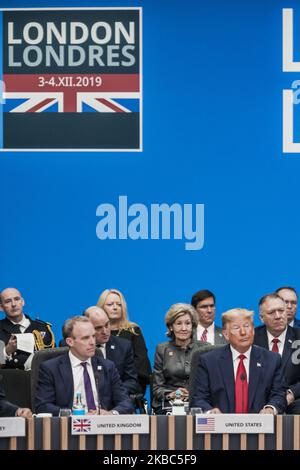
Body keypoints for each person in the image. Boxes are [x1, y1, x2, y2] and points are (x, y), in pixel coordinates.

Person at [190, 308, 287, 414]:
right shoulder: (209, 361)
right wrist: (210, 411)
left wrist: (270, 408)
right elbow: (199, 398)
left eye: (247, 326)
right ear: (226, 334)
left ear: (253, 330)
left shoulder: (272, 360)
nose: (243, 332)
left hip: (260, 427)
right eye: (236, 328)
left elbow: (279, 395)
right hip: (220, 427)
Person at [35, 316, 134, 416]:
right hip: (68, 427)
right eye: (86, 338)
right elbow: (42, 405)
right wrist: (73, 414)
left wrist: (111, 414)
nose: (92, 342)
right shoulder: (51, 369)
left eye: (93, 336)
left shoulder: (107, 367)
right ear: (70, 342)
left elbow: (125, 402)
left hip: (102, 426)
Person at [152, 303, 214, 414]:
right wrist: (172, 394)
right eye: (179, 323)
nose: (184, 328)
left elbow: (211, 383)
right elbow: (157, 388)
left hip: (198, 402)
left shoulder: (205, 348)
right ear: (171, 326)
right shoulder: (162, 349)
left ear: (193, 326)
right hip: (169, 403)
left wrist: (192, 393)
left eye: (187, 323)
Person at [97, 288, 151, 393]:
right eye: (110, 304)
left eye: (119, 304)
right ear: (101, 307)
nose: (115, 307)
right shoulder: (93, 332)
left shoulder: (133, 330)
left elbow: (141, 361)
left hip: (128, 384)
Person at [254, 293, 300, 414]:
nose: (278, 316)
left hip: (295, 401)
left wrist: (292, 393)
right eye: (271, 313)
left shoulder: (299, 336)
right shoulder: (251, 338)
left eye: (281, 311)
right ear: (261, 317)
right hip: (260, 401)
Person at [83, 306, 140, 395]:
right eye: (98, 328)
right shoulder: (74, 347)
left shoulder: (123, 346)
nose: (105, 331)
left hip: (115, 401)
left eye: (107, 325)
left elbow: (131, 381)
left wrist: (113, 391)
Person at [0, 288, 55, 370]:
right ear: (1, 307)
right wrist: (7, 351)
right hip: (10, 380)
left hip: (40, 379)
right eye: (8, 301)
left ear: (22, 302)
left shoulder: (42, 328)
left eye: (17, 299)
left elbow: (54, 360)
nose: (14, 304)